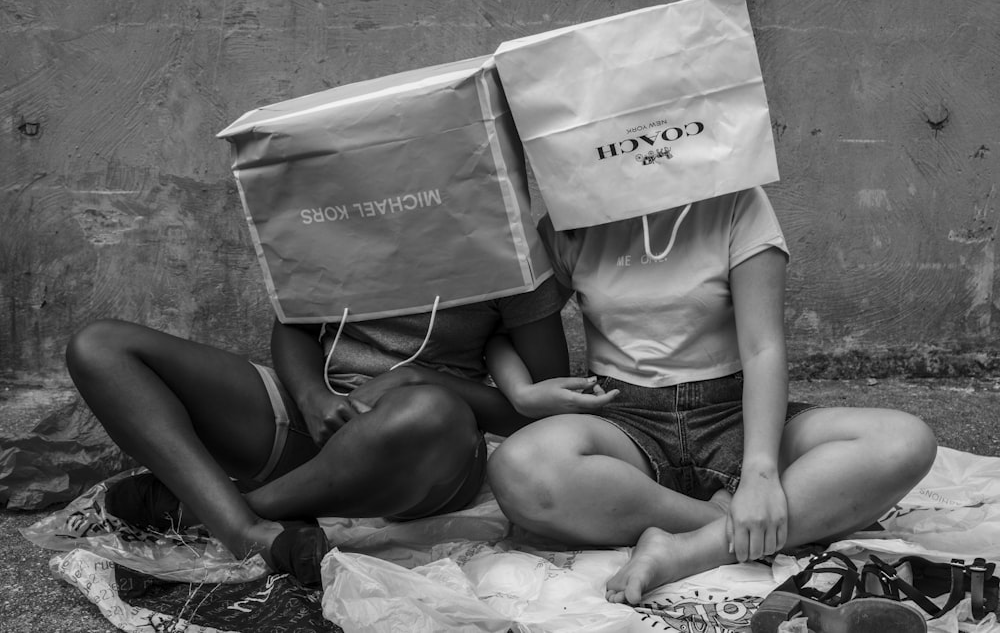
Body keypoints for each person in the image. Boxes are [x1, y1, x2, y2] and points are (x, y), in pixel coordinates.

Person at [483, 187, 938, 604]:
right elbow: (502, 320)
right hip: (625, 423)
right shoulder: (570, 219)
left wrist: (760, 474)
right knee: (518, 467)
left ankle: (686, 549)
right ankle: (736, 524)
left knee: (904, 441)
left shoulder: (738, 200)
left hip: (737, 418)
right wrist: (522, 393)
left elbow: (763, 348)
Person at [64, 275, 570, 588]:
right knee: (100, 346)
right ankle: (245, 531)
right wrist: (310, 397)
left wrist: (418, 377)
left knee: (427, 410)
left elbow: (535, 410)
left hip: (420, 453)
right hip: (314, 415)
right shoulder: (341, 218)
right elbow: (295, 323)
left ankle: (209, 510)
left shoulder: (509, 256)